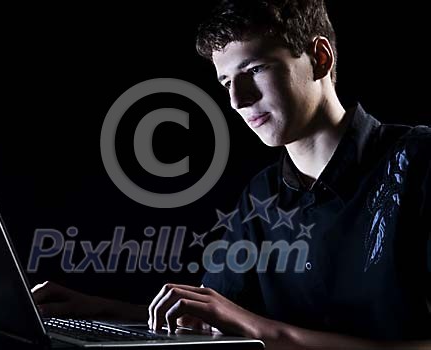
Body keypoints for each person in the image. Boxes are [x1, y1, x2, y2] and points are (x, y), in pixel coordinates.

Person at [33, 0, 431, 347]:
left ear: (320, 58)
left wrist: (263, 332)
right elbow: (210, 318)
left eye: (255, 69)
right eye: (226, 82)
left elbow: (251, 328)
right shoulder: (261, 196)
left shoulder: (420, 163)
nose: (238, 100)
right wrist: (95, 310)